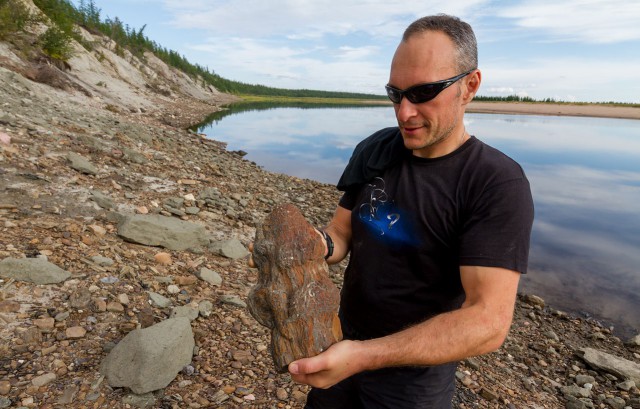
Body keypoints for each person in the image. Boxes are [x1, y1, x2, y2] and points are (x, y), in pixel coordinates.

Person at [253, 14, 534, 409]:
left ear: (469, 86)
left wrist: (364, 356)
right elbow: (341, 234)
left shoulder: (495, 183)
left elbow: (487, 322)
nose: (404, 113)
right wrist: (307, 246)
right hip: (338, 342)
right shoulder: (376, 149)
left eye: (423, 92)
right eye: (395, 93)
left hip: (413, 381)